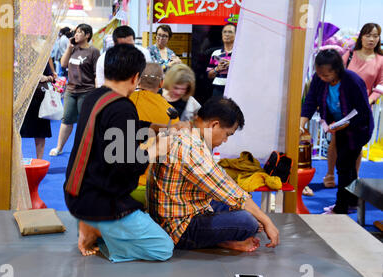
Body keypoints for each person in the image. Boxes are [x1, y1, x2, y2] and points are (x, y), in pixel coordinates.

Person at [63, 44, 174, 262]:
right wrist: (156, 150)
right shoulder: (123, 107)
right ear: (136, 77)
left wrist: (153, 127)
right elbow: (126, 165)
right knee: (163, 248)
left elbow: (115, 131)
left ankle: (92, 226)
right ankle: (98, 229)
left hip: (75, 192)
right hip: (97, 201)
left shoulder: (95, 97)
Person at [147, 96, 280, 252]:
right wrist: (267, 221)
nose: (225, 141)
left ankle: (222, 237)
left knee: (241, 208)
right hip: (177, 229)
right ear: (215, 125)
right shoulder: (191, 147)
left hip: (180, 209)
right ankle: (221, 241)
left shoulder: (188, 130)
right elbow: (228, 189)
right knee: (247, 222)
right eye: (227, 135)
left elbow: (221, 185)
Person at [300, 49, 374, 214]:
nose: (322, 78)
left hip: (359, 127)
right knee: (348, 167)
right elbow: (310, 101)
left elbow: (362, 110)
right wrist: (302, 122)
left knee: (343, 164)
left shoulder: (353, 81)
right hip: (339, 126)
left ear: (337, 70)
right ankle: (353, 201)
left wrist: (344, 124)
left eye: (326, 75)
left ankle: (341, 207)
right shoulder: (319, 80)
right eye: (319, 74)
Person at [323, 23, 383, 188]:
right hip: (341, 106)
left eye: (375, 36)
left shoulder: (381, 60)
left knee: (357, 144)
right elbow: (336, 76)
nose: (371, 39)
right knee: (336, 139)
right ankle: (329, 174)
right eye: (368, 35)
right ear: (361, 37)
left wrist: (367, 101)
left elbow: (380, 85)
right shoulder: (349, 55)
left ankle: (354, 178)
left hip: (363, 109)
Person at [129, 62, 179, 205]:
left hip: (118, 186)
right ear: (161, 83)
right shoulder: (170, 112)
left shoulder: (122, 103)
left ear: (137, 79)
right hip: (155, 189)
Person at [49, 24, 100, 157]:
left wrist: (97, 92)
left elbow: (96, 74)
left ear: (87, 35)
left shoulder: (93, 51)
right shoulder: (73, 48)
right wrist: (69, 48)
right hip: (70, 91)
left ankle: (85, 150)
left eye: (79, 32)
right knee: (66, 120)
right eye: (75, 32)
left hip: (87, 91)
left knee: (85, 122)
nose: (75, 35)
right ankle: (59, 147)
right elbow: (64, 63)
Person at [20, 63, 55, 159]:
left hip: (40, 99)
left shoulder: (42, 57)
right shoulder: (17, 57)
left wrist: (46, 78)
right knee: (17, 132)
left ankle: (39, 161)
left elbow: (52, 77)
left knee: (40, 132)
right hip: (21, 99)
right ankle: (17, 162)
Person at [206, 23, 236, 97]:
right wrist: (217, 69)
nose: (227, 34)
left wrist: (232, 65)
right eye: (224, 32)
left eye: (230, 32)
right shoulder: (216, 53)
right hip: (218, 88)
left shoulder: (240, 53)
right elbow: (209, 75)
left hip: (235, 88)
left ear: (236, 35)